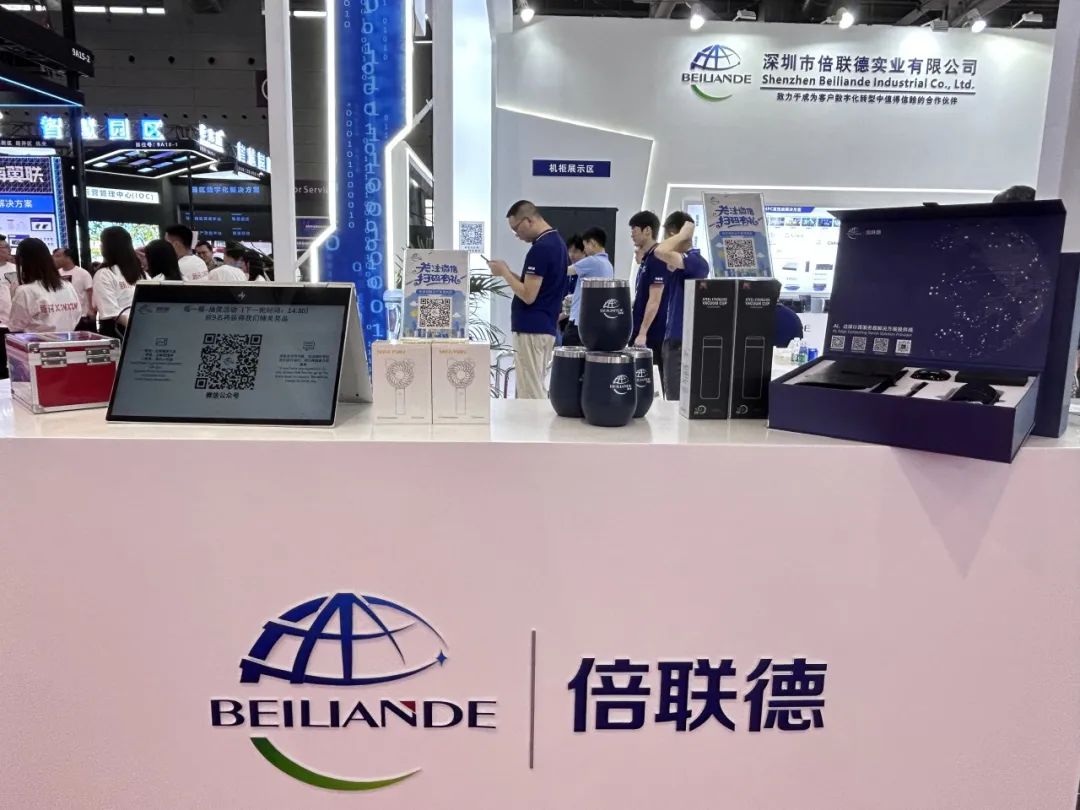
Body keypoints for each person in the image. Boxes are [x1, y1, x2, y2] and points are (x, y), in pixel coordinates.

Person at [487, 200, 568, 399]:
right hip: (542, 326)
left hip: (532, 329)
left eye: (516, 228)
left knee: (530, 393)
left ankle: (535, 421)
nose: (517, 235)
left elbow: (528, 295)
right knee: (532, 386)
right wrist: (508, 272)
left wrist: (505, 273)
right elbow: (533, 286)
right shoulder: (556, 243)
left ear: (529, 220)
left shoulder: (541, 248)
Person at [653, 212, 710, 399]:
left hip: (682, 341)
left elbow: (660, 251)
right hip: (673, 339)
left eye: (666, 235)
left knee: (676, 399)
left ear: (672, 234)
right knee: (671, 395)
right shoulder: (679, 262)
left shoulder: (696, 262)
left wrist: (684, 234)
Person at [629, 210, 670, 385]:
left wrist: (643, 333)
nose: (632, 234)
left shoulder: (658, 258)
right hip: (640, 327)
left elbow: (655, 299)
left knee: (650, 380)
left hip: (653, 332)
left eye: (634, 229)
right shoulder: (647, 259)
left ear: (647, 230)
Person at [9, 238, 80, 333]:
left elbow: (15, 326)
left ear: (22, 261)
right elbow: (77, 313)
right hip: (68, 338)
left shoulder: (25, 291)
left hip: (37, 340)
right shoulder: (67, 285)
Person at [563, 227, 615, 347]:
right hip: (594, 323)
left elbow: (565, 271)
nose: (584, 249)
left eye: (585, 245)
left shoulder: (592, 261)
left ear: (593, 243)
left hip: (578, 322)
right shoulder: (608, 265)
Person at [94, 226, 147, 338]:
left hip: (133, 330)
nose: (100, 246)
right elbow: (111, 312)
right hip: (120, 331)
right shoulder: (105, 273)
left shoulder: (141, 273)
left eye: (102, 243)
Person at [52, 247, 95, 331]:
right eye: (53, 256)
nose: (54, 259)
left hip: (81, 315)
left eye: (58, 256)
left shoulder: (83, 273)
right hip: (63, 316)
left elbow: (90, 291)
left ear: (68, 257)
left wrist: (91, 309)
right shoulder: (56, 274)